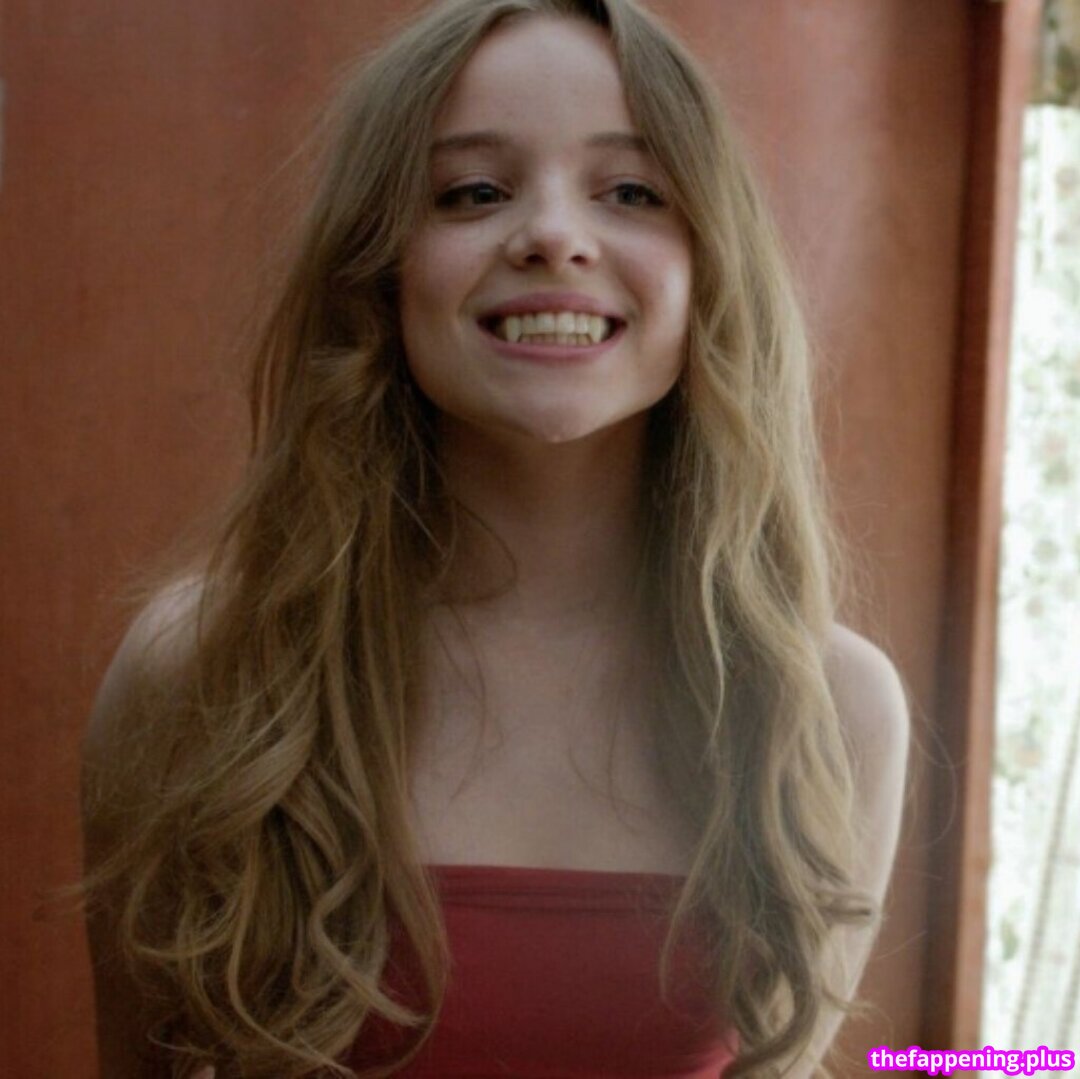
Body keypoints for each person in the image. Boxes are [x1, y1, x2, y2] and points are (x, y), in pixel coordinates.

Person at [79, 0, 910, 1076]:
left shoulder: (829, 707)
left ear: (711, 262)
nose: (553, 235)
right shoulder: (199, 673)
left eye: (631, 191)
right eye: (473, 191)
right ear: (377, 268)